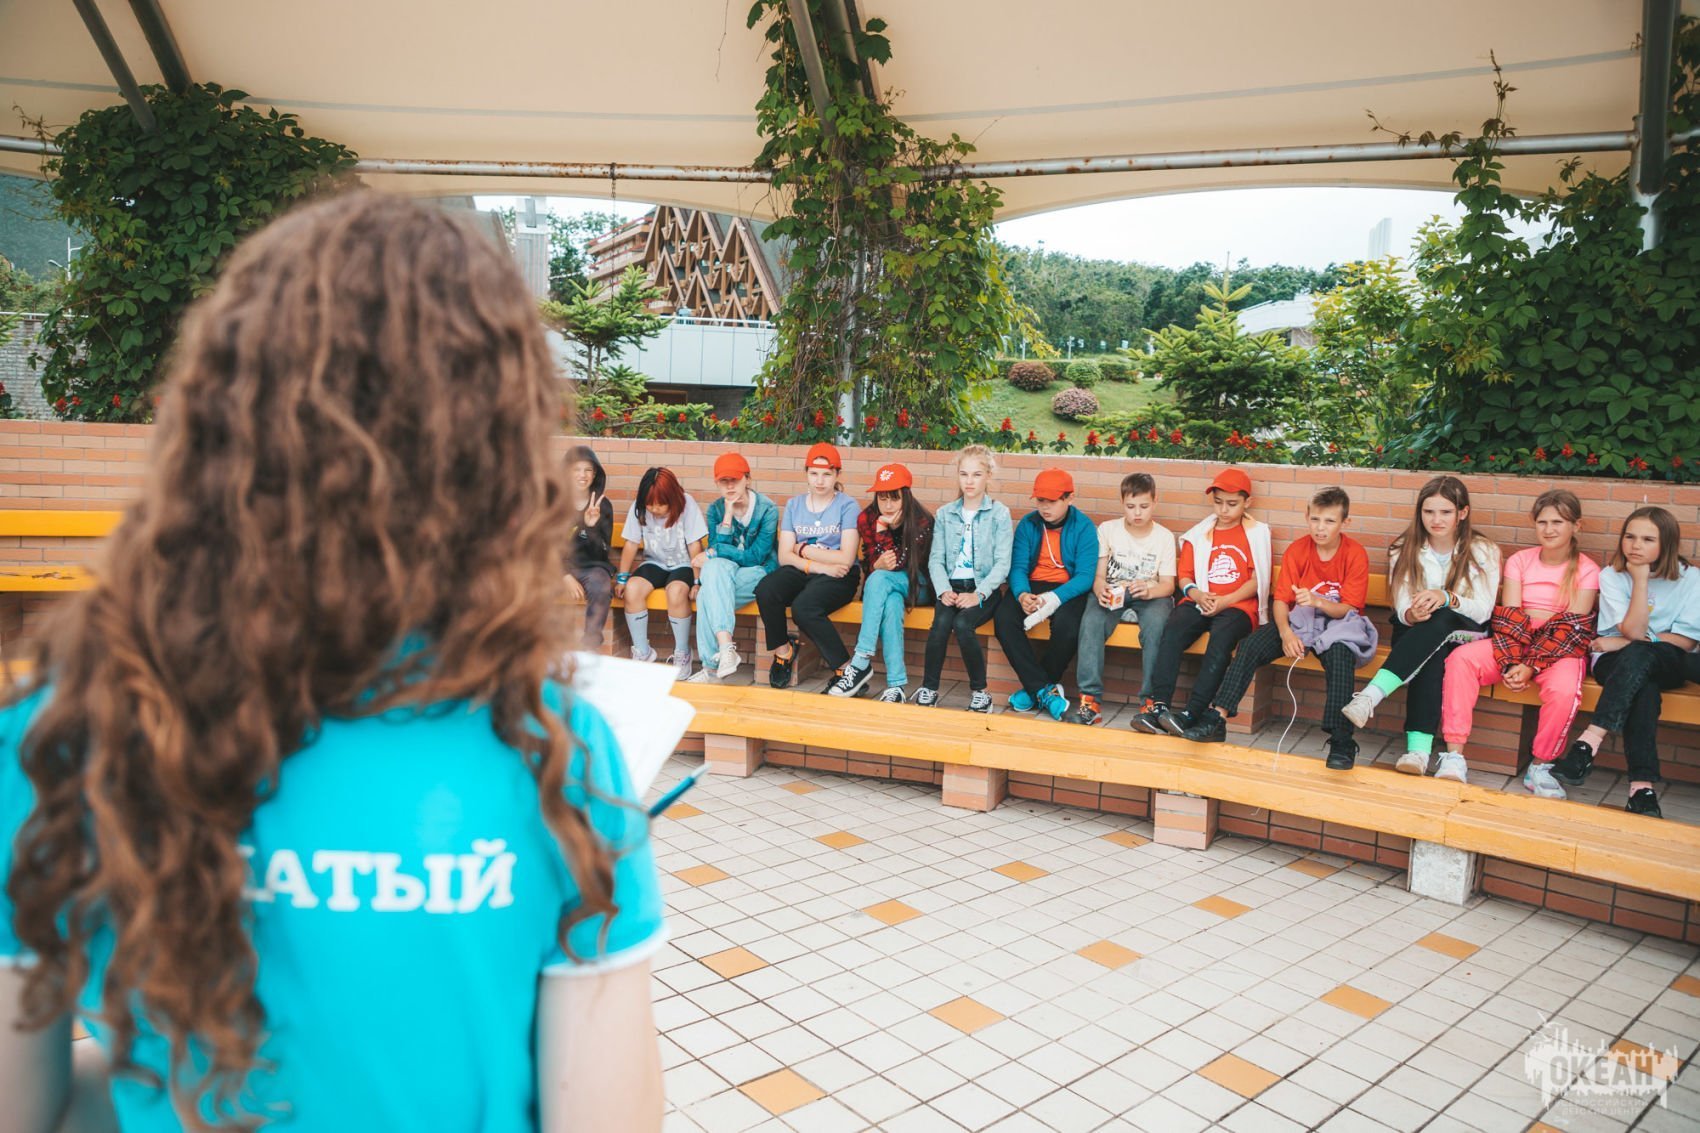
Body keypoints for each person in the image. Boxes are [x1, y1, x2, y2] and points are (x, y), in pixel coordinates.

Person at [0, 194, 665, 1131]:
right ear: (496, 460)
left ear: (219, 424)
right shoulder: (561, 756)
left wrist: (163, 1061)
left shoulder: (66, 729)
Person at [1179, 486, 1375, 768]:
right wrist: (1285, 633)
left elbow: (1349, 608)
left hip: (1338, 625)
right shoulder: (1298, 549)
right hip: (1299, 621)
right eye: (1315, 519)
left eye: (1330, 521)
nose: (1320, 528)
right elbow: (1282, 600)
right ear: (1307, 517)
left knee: (1341, 659)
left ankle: (1342, 741)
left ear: (1345, 522)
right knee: (1250, 645)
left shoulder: (1355, 553)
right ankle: (1217, 718)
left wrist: (1318, 602)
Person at [1341, 475, 1502, 783]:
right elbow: (1401, 605)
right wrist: (1411, 613)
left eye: (1445, 512)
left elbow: (1483, 610)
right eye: (1429, 511)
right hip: (1419, 631)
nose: (1436, 520)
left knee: (1442, 619)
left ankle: (1371, 699)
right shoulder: (1403, 547)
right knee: (1432, 651)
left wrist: (1447, 597)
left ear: (1462, 513)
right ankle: (1417, 754)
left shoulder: (1483, 550)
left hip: (1467, 631)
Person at [1438, 490, 1599, 794]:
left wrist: (1530, 666)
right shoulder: (1520, 561)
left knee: (1565, 690)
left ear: (1577, 526)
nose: (1549, 529)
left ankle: (1541, 765)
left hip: (1560, 649)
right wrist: (1513, 662)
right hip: (1517, 640)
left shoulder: (1587, 569)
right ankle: (1454, 756)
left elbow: (1571, 628)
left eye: (1558, 522)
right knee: (1461, 659)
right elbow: (1511, 618)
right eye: (1542, 522)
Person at [1553, 507, 1700, 818]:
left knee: (1639, 655)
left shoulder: (1691, 579)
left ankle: (1588, 742)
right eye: (1630, 537)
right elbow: (1635, 632)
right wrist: (1640, 581)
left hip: (1667, 660)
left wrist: (1623, 641)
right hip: (1613, 662)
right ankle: (1641, 790)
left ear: (1667, 543)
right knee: (1643, 687)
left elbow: (1685, 642)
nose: (1635, 546)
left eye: (1648, 539)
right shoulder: (1612, 576)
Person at [1134, 467, 1272, 738]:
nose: (1224, 510)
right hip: (1200, 599)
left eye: (1232, 504)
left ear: (1248, 503)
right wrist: (1198, 595)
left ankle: (1191, 713)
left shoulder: (1256, 535)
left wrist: (1225, 601)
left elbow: (1258, 581)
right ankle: (1158, 706)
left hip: (1238, 606)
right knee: (1172, 629)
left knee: (1221, 639)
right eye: (1218, 502)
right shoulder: (1199, 534)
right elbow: (1185, 576)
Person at [913, 445, 1012, 712]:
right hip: (952, 588)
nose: (969, 481)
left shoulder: (999, 514)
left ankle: (981, 693)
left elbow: (1003, 564)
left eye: (977, 474)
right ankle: (929, 688)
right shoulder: (946, 513)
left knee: (963, 624)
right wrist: (943, 590)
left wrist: (978, 595)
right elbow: (936, 558)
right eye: (964, 474)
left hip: (984, 590)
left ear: (988, 476)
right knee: (940, 625)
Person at [992, 468, 1096, 721]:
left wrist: (1054, 598)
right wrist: (1022, 595)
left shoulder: (1084, 527)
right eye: (1040, 500)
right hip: (1032, 585)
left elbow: (1085, 576)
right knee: (1004, 620)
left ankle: (1035, 689)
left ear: (1069, 498)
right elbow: (1018, 567)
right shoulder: (1029, 524)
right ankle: (1044, 691)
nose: (1045, 507)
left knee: (1068, 627)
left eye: (1052, 501)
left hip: (1067, 589)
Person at [1073, 472, 1176, 727]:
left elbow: (1168, 585)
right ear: (1122, 503)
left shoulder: (1164, 536)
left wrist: (1150, 592)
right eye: (1130, 506)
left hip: (1150, 595)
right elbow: (1098, 577)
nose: (1137, 513)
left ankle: (1150, 702)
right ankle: (1090, 701)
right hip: (1114, 592)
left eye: (1144, 506)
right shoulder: (1108, 530)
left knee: (1157, 628)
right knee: (1091, 622)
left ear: (1155, 502)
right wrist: (1100, 590)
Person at [756, 443, 861, 690]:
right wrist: (820, 565)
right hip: (813, 570)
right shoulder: (795, 505)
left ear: (837, 475)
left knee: (804, 608)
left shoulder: (847, 506)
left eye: (826, 474)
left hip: (841, 576)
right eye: (814, 473)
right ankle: (783, 650)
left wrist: (802, 549)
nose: (820, 481)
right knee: (766, 590)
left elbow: (846, 558)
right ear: (806, 473)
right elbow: (785, 556)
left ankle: (846, 669)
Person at [830, 464, 935, 702]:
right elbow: (870, 564)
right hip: (884, 588)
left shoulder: (921, 520)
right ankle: (896, 686)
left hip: (917, 585)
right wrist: (877, 561)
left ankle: (860, 661)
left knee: (880, 579)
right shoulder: (866, 518)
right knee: (891, 603)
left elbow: (898, 564)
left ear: (906, 496)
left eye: (894, 498)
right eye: (882, 498)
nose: (887, 505)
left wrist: (883, 530)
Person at [688, 452, 778, 683]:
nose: (729, 486)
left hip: (760, 572)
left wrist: (717, 551)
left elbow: (756, 557)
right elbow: (716, 553)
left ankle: (711, 669)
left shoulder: (767, 509)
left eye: (735, 480)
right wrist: (727, 516)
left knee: (707, 594)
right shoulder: (716, 509)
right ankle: (726, 648)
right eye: (723, 481)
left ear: (747, 479)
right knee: (714, 572)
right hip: (725, 573)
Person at [615, 467, 708, 679]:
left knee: (675, 592)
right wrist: (622, 578)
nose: (655, 509)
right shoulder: (639, 508)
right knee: (632, 589)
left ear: (672, 497)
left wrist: (697, 581)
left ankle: (682, 653)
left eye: (660, 504)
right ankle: (642, 652)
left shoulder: (687, 504)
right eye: (650, 504)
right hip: (654, 563)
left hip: (683, 564)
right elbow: (631, 543)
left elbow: (694, 545)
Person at [565, 444, 615, 649]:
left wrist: (590, 526)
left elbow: (601, 554)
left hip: (589, 566)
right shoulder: (555, 503)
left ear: (595, 474)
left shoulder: (603, 506)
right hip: (555, 567)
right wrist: (564, 575)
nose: (582, 475)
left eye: (588, 470)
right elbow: (545, 546)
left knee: (600, 584)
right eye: (576, 469)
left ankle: (590, 646)